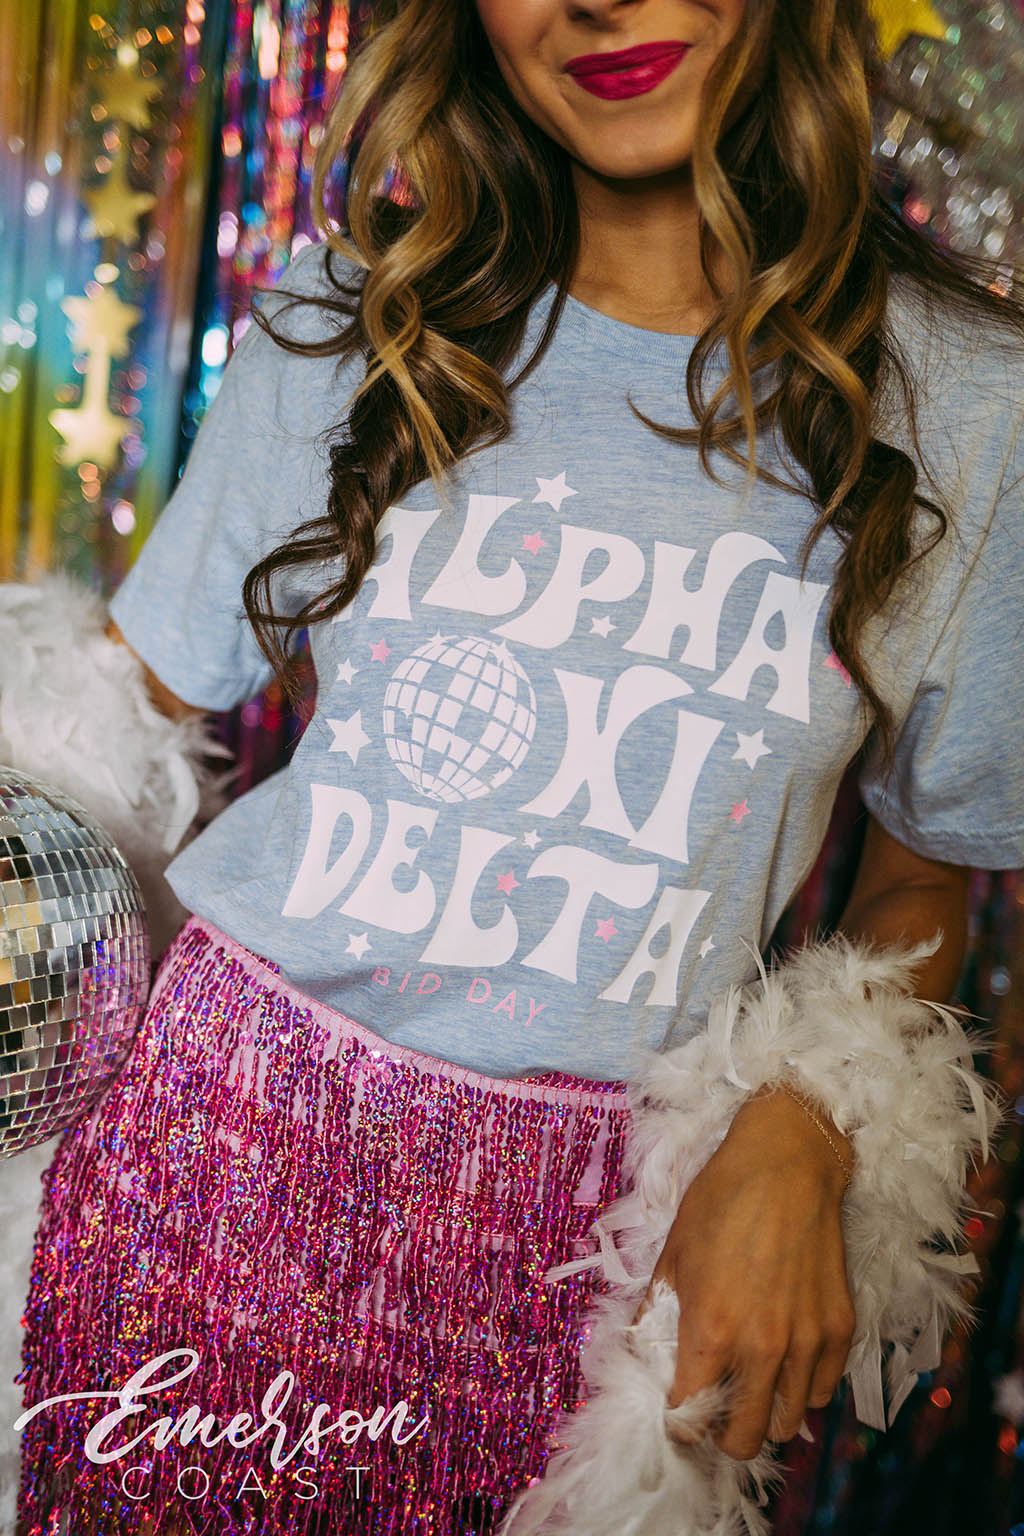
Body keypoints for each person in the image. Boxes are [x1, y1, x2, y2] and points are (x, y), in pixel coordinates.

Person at [12, 0, 1023, 1532]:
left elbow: (919, 877)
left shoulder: (970, 403)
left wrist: (811, 1120)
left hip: (612, 1262)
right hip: (209, 1166)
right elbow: (105, 723)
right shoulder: (356, 317)